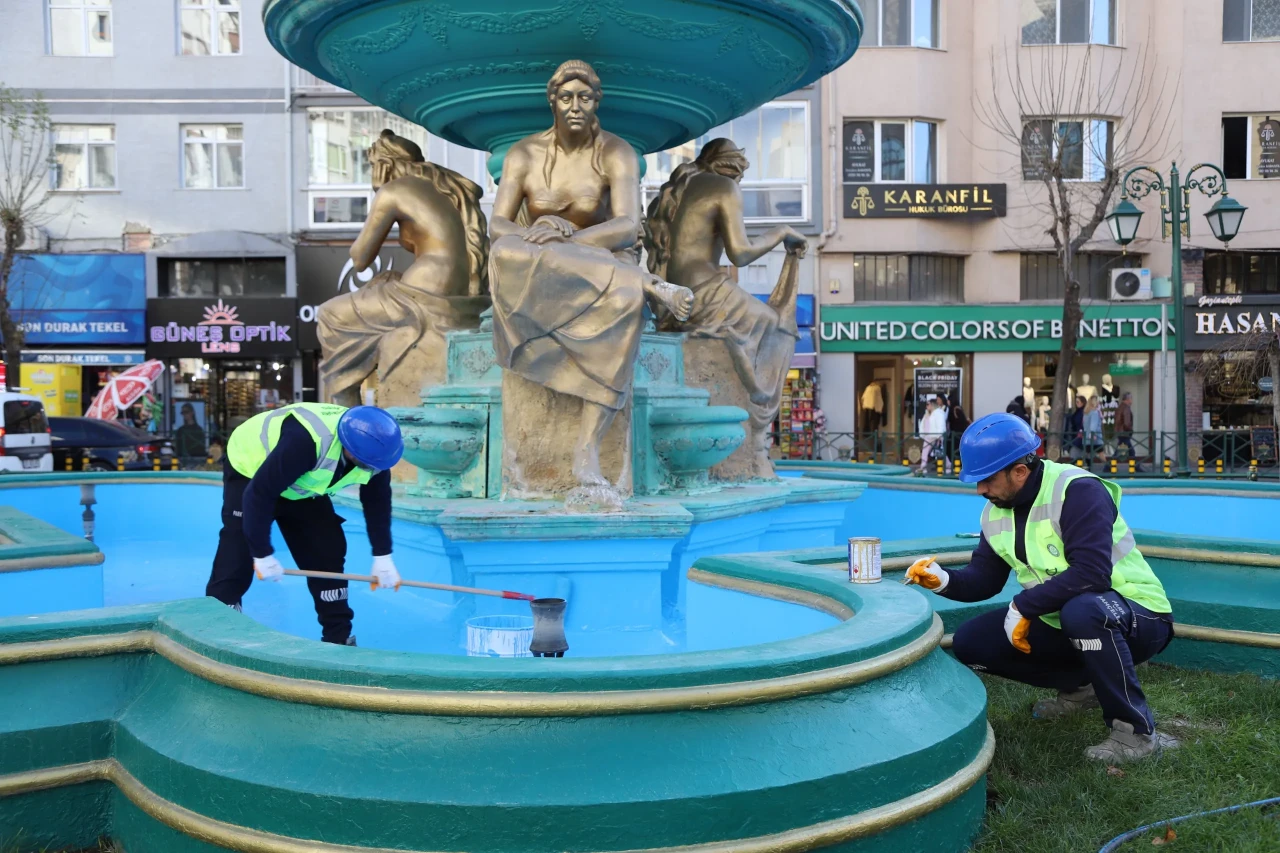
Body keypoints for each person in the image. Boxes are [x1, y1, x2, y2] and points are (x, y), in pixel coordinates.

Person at [904, 413, 1175, 763]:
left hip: (1140, 614)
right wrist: (943, 580)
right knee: (971, 643)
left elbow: (1092, 574)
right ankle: (1082, 687)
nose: (980, 490)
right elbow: (985, 579)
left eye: (987, 479)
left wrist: (1023, 606)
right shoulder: (995, 510)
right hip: (1068, 618)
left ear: (1020, 471)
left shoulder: (1078, 491)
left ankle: (1135, 732)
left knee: (1084, 612)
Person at [488, 60, 694, 495]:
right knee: (506, 251)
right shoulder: (524, 154)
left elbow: (627, 225)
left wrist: (570, 237)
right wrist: (540, 234)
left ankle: (587, 450)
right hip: (537, 262)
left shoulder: (616, 152)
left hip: (597, 257)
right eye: (566, 97)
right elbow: (498, 226)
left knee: (625, 300)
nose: (575, 106)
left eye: (584, 97)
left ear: (596, 102)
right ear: (552, 101)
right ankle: (648, 281)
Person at [205, 403, 404, 646]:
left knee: (326, 551)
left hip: (301, 486)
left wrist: (383, 556)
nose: (372, 469)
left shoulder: (378, 455)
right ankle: (219, 628)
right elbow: (258, 494)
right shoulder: (305, 441)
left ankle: (338, 637)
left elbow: (377, 503)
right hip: (251, 470)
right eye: (366, 463)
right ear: (348, 447)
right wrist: (262, 553)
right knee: (238, 552)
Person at [1115, 392, 1137, 466]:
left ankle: (1135, 466)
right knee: (1127, 452)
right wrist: (1130, 430)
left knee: (1130, 452)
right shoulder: (1126, 408)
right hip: (1125, 433)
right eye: (1131, 398)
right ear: (1128, 399)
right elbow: (1126, 423)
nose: (1132, 400)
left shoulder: (1120, 407)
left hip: (1120, 432)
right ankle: (1107, 467)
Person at [1083, 395, 1105, 468]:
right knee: (1100, 452)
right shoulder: (1095, 412)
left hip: (1087, 436)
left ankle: (1088, 467)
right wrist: (1092, 433)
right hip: (1095, 437)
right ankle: (1107, 467)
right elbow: (1094, 425)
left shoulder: (1086, 412)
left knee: (1088, 452)